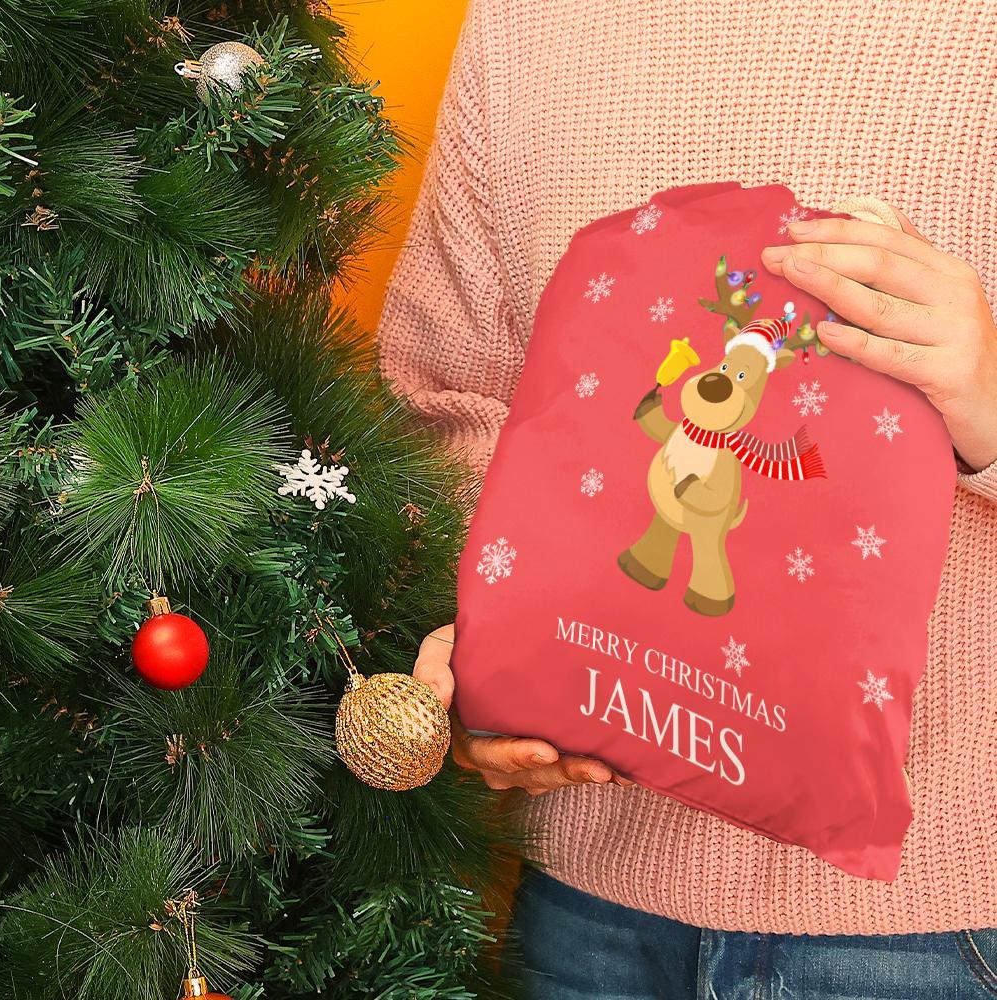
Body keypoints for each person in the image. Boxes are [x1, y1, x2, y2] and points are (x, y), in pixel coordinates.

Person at [376, 2, 997, 996]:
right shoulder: (523, 23)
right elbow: (447, 402)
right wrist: (486, 646)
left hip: (944, 929)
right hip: (587, 903)